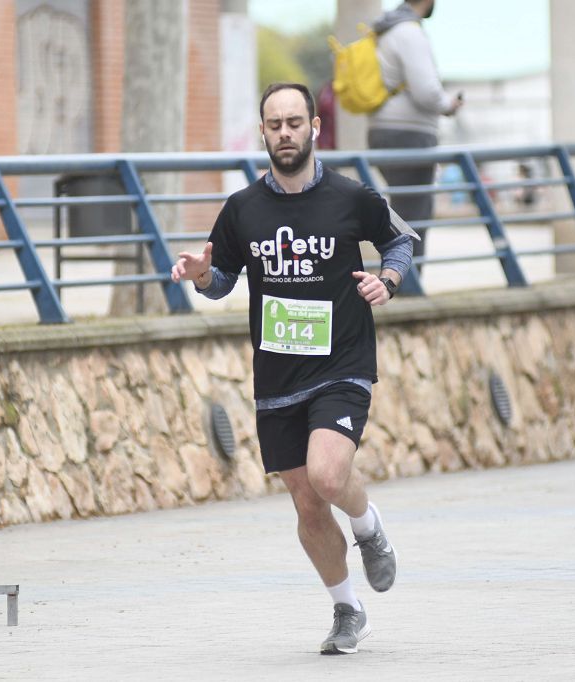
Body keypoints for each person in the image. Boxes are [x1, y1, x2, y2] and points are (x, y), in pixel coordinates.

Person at [171, 83, 413, 655]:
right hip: (277, 376)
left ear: (314, 129)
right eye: (274, 124)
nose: (285, 132)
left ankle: (367, 523)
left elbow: (399, 243)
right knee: (306, 502)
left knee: (329, 477)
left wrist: (390, 279)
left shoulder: (352, 197)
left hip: (342, 361)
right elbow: (222, 280)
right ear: (263, 132)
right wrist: (203, 275)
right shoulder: (242, 210)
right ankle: (348, 610)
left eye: (294, 122)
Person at [367, 0, 463, 275]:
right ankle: (407, 281)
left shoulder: (386, 30)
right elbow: (426, 90)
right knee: (414, 212)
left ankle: (399, 276)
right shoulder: (409, 32)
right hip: (409, 132)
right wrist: (448, 104)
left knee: (403, 208)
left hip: (381, 129)